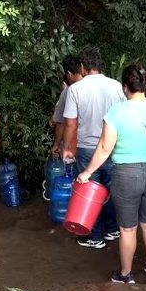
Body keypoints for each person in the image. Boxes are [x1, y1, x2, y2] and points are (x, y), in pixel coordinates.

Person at [77, 62, 146, 284]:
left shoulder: (117, 111)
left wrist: (87, 172)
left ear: (125, 87)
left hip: (126, 175)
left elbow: (104, 147)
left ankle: (126, 274)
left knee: (127, 229)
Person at [62, 46, 125, 249]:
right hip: (113, 147)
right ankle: (112, 229)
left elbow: (70, 123)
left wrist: (66, 148)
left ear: (82, 66)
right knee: (110, 190)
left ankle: (96, 236)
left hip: (88, 149)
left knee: (90, 192)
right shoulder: (117, 86)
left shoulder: (75, 90)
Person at [50, 56, 84, 158]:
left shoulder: (69, 91)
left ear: (69, 73)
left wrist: (56, 145)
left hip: (73, 146)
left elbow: (61, 123)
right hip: (99, 146)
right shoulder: (97, 88)